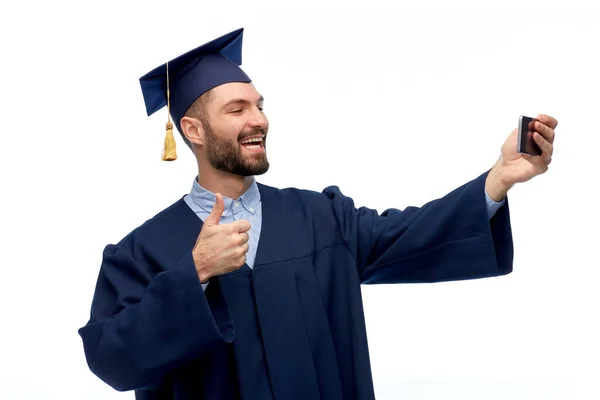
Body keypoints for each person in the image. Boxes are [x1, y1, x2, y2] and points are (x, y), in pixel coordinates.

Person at [78, 28, 557, 400]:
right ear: (193, 130)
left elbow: (412, 234)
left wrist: (497, 180)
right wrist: (196, 272)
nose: (258, 120)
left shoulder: (322, 219)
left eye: (260, 106)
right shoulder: (143, 253)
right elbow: (111, 359)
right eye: (237, 109)